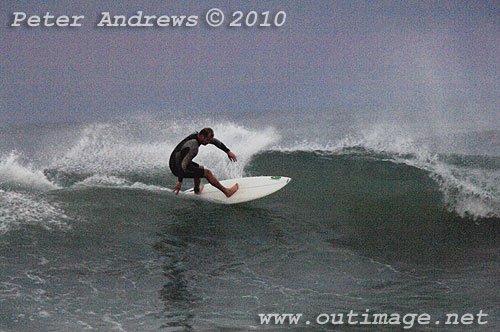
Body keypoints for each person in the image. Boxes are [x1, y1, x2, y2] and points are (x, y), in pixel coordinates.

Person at [169, 128, 239, 197]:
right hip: (177, 167)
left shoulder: (198, 136)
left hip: (177, 161)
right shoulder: (193, 147)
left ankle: (196, 190)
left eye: (209, 140)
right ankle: (227, 192)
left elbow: (215, 142)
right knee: (207, 173)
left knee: (200, 168)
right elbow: (183, 165)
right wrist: (180, 181)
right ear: (201, 136)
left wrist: (228, 151)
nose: (208, 142)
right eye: (207, 140)